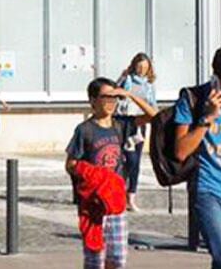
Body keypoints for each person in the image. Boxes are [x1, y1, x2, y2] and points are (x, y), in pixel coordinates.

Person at [65, 77, 157, 269]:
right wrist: (93, 175)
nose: (110, 103)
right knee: (95, 258)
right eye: (105, 97)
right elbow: (71, 164)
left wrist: (130, 95)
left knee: (117, 258)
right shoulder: (85, 130)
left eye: (113, 98)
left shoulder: (121, 125)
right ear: (92, 100)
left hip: (116, 200)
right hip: (92, 203)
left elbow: (153, 116)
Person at [174, 46, 221, 269]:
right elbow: (181, 150)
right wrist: (207, 118)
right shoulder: (193, 98)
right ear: (217, 78)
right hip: (208, 191)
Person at [116, 53, 157, 212]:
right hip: (124, 121)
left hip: (140, 123)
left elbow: (153, 104)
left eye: (145, 68)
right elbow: (116, 92)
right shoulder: (127, 80)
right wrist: (122, 77)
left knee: (135, 161)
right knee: (122, 159)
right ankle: (118, 193)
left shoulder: (149, 85)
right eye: (139, 67)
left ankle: (131, 195)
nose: (142, 70)